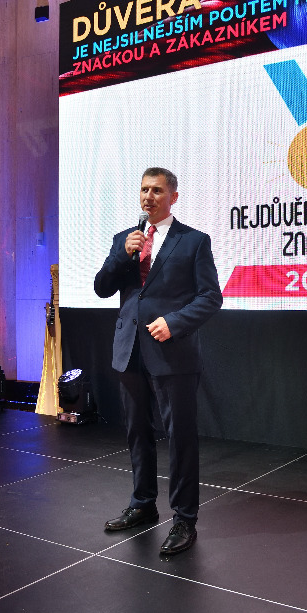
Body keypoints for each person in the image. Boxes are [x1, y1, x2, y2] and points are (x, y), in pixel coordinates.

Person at [94, 167, 222, 555]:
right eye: (144, 190)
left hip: (172, 353)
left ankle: (184, 518)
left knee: (180, 437)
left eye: (157, 190)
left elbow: (210, 297)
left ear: (173, 197)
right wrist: (122, 254)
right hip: (129, 349)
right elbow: (102, 288)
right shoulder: (125, 239)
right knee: (137, 432)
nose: (148, 196)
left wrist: (174, 322)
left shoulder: (193, 241)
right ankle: (143, 504)